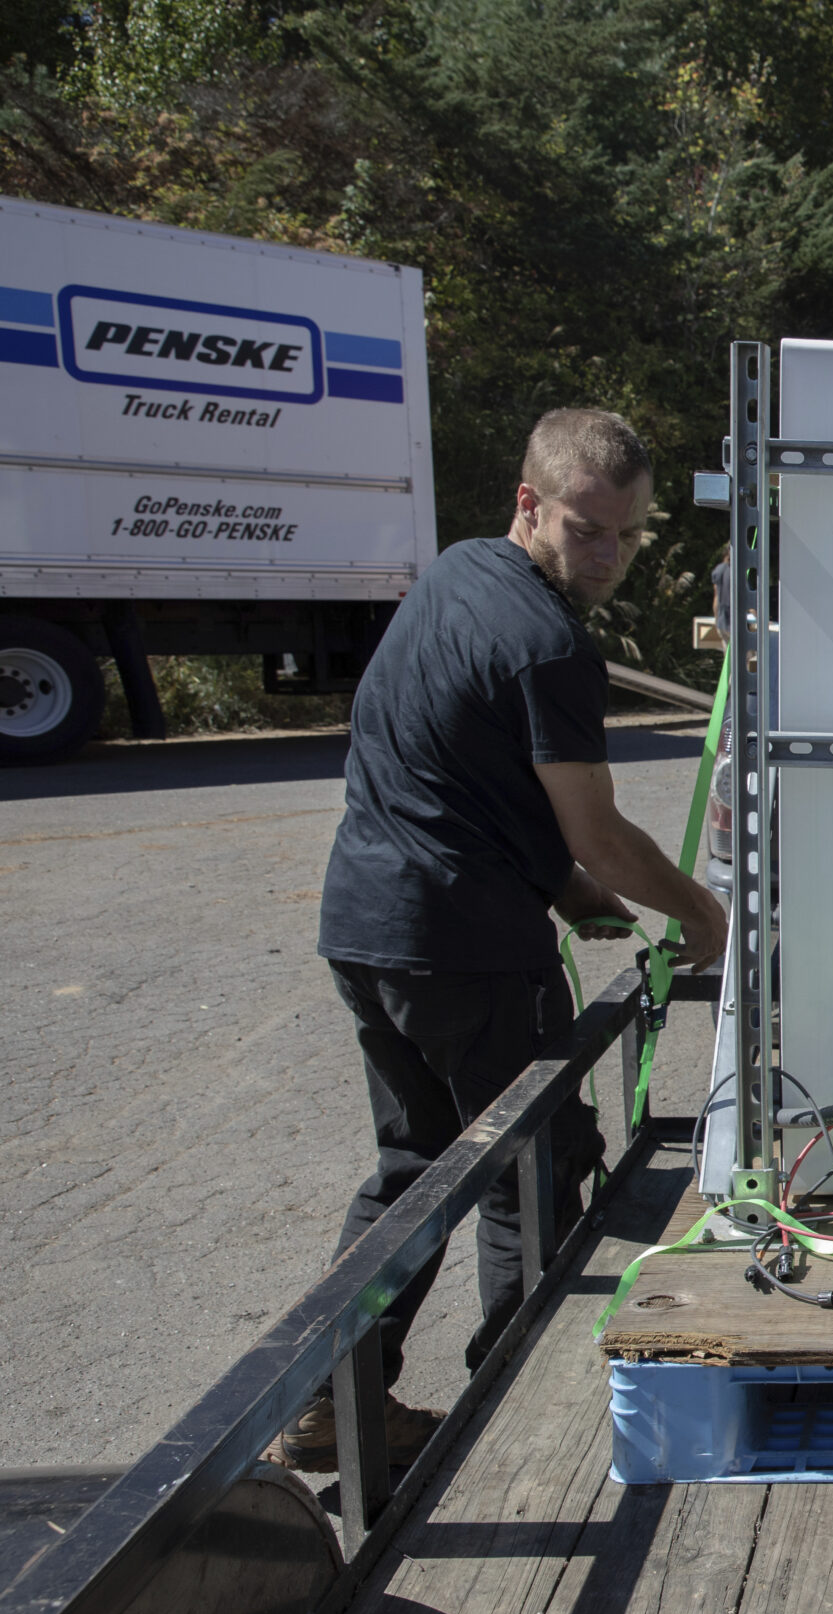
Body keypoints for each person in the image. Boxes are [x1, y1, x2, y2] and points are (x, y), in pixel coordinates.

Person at [267, 409, 728, 1473]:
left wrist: (562, 892)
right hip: (464, 947)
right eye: (585, 529)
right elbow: (601, 834)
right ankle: (510, 1422)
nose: (605, 556)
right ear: (530, 505)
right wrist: (698, 913)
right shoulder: (550, 644)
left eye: (625, 535)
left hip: (367, 928)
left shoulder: (458, 574)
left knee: (417, 1164)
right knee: (533, 1164)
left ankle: (336, 1398)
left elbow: (459, 774)